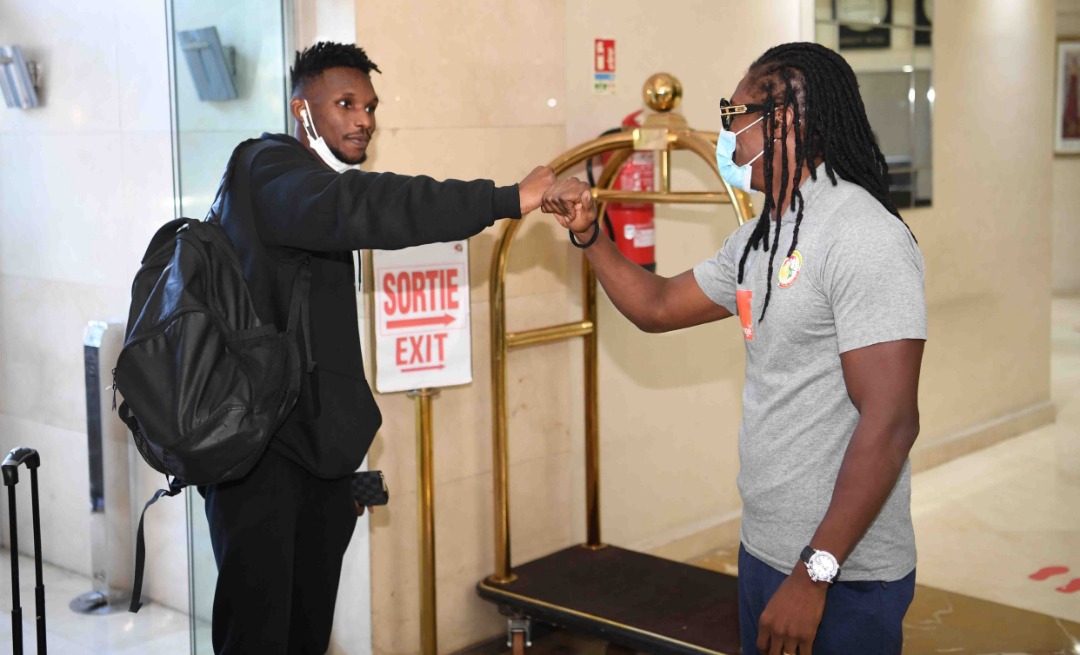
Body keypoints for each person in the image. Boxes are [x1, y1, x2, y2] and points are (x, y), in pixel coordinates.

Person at [543, 42, 926, 655]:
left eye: (737, 114)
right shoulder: (760, 236)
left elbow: (891, 422)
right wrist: (590, 233)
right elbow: (658, 306)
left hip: (842, 574)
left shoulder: (863, 236)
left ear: (788, 123)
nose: (730, 135)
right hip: (767, 551)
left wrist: (814, 572)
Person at [202, 41, 555, 654]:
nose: (364, 119)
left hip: (316, 458)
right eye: (345, 103)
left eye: (369, 105)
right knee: (257, 637)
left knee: (306, 634)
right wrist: (505, 198)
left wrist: (344, 469)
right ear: (301, 110)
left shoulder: (313, 188)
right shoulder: (267, 168)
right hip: (257, 460)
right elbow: (368, 204)